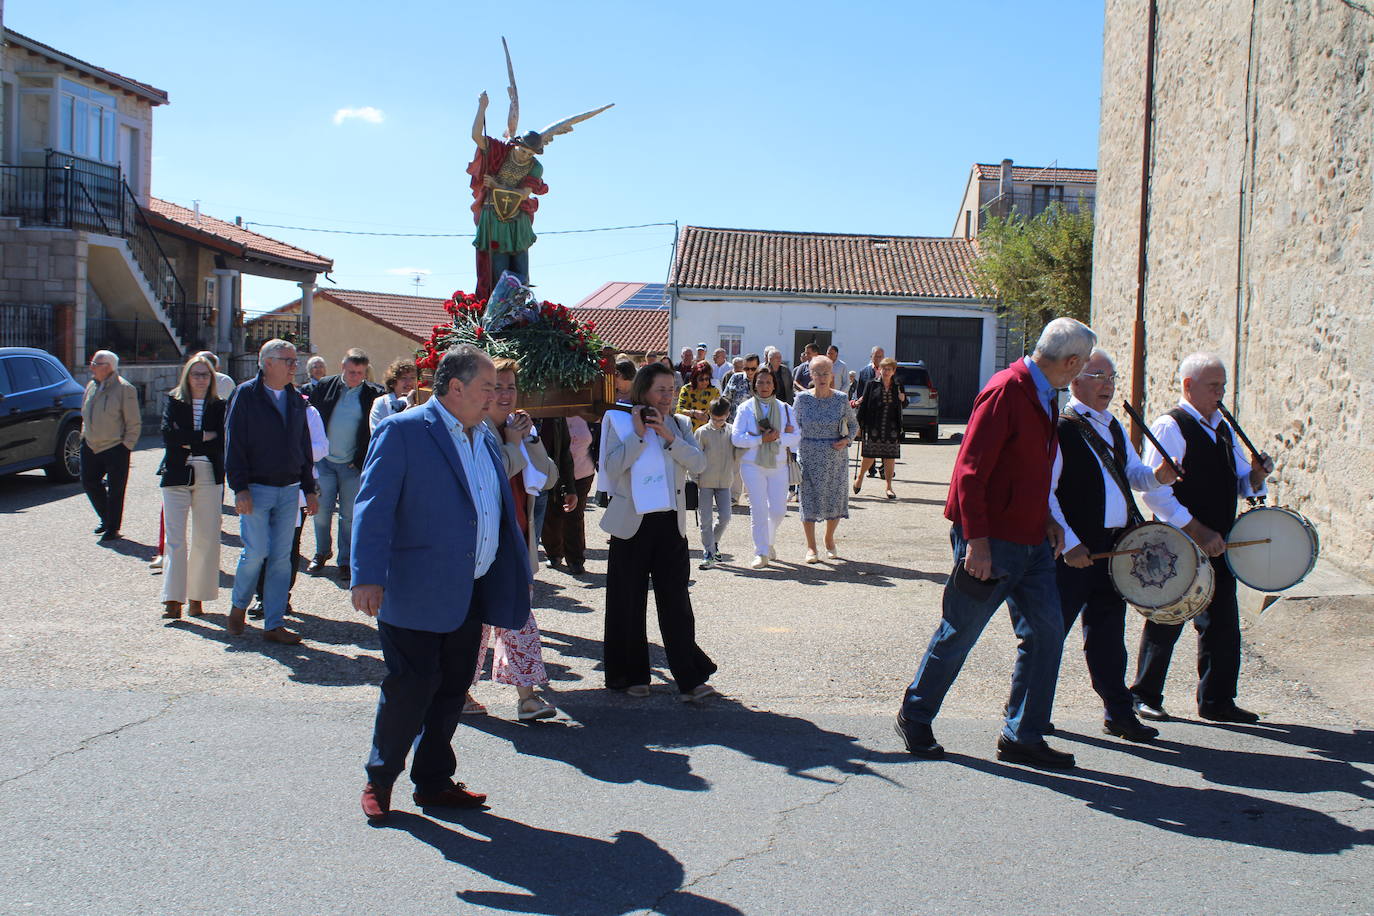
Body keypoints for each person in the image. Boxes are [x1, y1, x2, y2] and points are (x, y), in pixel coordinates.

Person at [895, 317, 1095, 768]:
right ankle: (916, 714)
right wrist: (977, 542)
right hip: (992, 540)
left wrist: (1047, 518)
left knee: (1046, 634)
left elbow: (1029, 469)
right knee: (961, 631)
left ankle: (1022, 735)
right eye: (1082, 365)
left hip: (1032, 539)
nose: (1082, 372)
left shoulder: (1044, 393)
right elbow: (969, 471)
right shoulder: (1007, 390)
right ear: (1071, 361)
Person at [351, 345, 533, 821]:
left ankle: (433, 782)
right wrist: (366, 576)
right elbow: (373, 506)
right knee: (411, 687)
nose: (496, 395)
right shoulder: (403, 430)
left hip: (470, 587)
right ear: (456, 387)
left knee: (453, 688)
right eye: (487, 387)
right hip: (414, 587)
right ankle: (380, 779)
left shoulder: (485, 436)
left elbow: (492, 506)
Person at [1130, 353, 1272, 725]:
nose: (1220, 393)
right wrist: (1196, 529)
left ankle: (1217, 700)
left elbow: (1240, 482)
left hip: (1219, 541)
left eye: (1222, 386)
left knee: (1222, 623)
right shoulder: (1170, 426)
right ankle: (1144, 695)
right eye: (1213, 386)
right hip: (1178, 542)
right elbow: (1155, 493)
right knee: (1167, 618)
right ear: (1188, 386)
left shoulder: (1222, 428)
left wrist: (1256, 476)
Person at [1047, 348, 1178, 742]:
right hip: (1073, 550)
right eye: (1099, 376)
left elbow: (1134, 474)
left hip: (1113, 547)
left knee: (1108, 634)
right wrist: (1070, 543)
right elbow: (1046, 493)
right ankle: (1027, 708)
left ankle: (1118, 713)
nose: (1108, 385)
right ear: (1075, 380)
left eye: (1112, 377)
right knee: (1049, 634)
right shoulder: (1061, 428)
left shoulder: (1114, 426)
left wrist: (1159, 476)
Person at [600, 362, 716, 700]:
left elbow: (699, 464)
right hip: (632, 524)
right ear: (643, 391)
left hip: (670, 525)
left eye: (671, 390)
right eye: (660, 390)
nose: (668, 397)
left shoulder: (679, 424)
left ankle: (689, 679)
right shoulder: (620, 422)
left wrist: (669, 438)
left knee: (676, 603)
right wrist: (638, 436)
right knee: (627, 602)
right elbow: (610, 468)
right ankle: (631, 675)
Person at [466, 358, 559, 722]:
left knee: (515, 618)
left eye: (511, 387)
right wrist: (513, 442)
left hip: (515, 539)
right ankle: (466, 691)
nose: (505, 395)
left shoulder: (518, 427)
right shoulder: (475, 429)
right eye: (496, 387)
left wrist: (529, 438)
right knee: (481, 622)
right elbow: (493, 474)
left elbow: (548, 477)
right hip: (483, 542)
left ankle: (526, 697)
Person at [224, 339, 319, 644]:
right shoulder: (246, 395)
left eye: (295, 361)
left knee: (281, 558)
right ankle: (239, 606)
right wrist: (239, 488)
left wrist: (309, 488)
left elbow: (303, 446)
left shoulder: (295, 398)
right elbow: (234, 443)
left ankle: (273, 624)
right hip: (256, 488)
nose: (294, 366)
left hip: (289, 489)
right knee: (255, 552)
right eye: (288, 361)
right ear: (267, 363)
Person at [157, 355, 225, 621]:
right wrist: (202, 436)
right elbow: (168, 435)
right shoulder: (174, 402)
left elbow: (221, 440)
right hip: (176, 472)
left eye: (205, 375)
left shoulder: (219, 405)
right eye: (195, 374)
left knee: (206, 537)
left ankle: (198, 597)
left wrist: (187, 438)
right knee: (175, 539)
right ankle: (173, 599)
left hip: (208, 472)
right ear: (187, 376)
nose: (200, 379)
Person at [306, 348, 384, 582]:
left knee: (348, 516)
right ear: (342, 368)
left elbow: (374, 432)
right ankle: (322, 552)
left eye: (360, 373)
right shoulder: (324, 386)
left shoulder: (373, 394)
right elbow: (310, 420)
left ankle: (345, 560)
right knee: (321, 512)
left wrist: (360, 462)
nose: (356, 377)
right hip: (325, 462)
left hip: (352, 466)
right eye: (351, 372)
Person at [249, 393, 328, 621]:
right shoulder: (257, 407)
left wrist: (291, 449)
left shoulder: (307, 411)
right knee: (262, 544)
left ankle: (282, 596)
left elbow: (322, 448)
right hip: (263, 484)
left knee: (289, 545)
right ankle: (262, 596)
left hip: (297, 487)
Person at [732, 365, 800, 569]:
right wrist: (760, 439)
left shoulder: (785, 408)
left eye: (768, 382)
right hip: (752, 465)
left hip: (779, 465)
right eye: (760, 382)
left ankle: (768, 541)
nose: (764, 386)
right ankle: (760, 552)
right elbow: (736, 438)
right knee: (759, 509)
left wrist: (778, 438)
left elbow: (797, 436)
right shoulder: (745, 408)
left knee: (778, 510)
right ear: (754, 385)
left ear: (774, 385)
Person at [794, 356, 858, 564]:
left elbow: (854, 425)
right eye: (817, 373)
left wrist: (847, 440)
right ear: (811, 375)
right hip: (808, 456)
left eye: (825, 373)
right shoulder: (802, 399)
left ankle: (829, 539)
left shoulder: (841, 399)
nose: (822, 377)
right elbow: (792, 427)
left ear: (832, 376)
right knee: (808, 501)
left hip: (835, 458)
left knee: (835, 499)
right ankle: (811, 547)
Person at [81, 350, 140, 543]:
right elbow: (84, 412)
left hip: (115, 446)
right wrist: (84, 435)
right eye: (92, 363)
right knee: (89, 482)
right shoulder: (91, 385)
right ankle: (106, 518)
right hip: (90, 444)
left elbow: (133, 422)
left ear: (109, 367)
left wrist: (126, 446)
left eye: (96, 364)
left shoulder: (125, 389)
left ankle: (112, 527)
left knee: (116, 490)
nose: (91, 366)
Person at [542, 411, 595, 575]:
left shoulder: (589, 414)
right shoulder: (551, 414)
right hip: (555, 472)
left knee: (575, 515)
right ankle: (554, 553)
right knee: (551, 514)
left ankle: (575, 559)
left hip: (582, 472)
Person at [693, 398, 740, 569]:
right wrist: (694, 479)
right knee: (705, 520)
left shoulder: (732, 431)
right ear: (709, 414)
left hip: (725, 481)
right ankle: (708, 552)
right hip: (704, 481)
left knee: (725, 517)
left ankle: (713, 543)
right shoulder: (702, 432)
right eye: (714, 419)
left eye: (721, 419)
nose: (718, 422)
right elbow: (695, 456)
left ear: (727, 415)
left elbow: (739, 452)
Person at [853, 357, 908, 500]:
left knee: (890, 457)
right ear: (879, 370)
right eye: (883, 369)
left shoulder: (897, 385)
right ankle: (860, 477)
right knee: (869, 455)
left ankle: (889, 487)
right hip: (873, 425)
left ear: (893, 371)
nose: (886, 371)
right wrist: (858, 425)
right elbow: (864, 405)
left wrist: (903, 399)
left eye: (889, 369)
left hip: (892, 427)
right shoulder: (871, 384)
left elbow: (904, 403)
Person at [853, 346, 885, 478]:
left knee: (883, 442)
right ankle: (871, 469)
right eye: (876, 356)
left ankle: (884, 468)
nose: (879, 358)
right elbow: (860, 393)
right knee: (869, 441)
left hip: (884, 412)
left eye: (881, 356)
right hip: (869, 412)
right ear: (871, 357)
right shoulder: (864, 372)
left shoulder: (887, 371)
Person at [369, 358, 417, 432]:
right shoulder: (382, 403)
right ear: (393, 382)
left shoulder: (420, 402)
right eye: (403, 378)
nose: (409, 382)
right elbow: (377, 434)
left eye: (412, 378)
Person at [675, 362, 719, 431]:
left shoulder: (714, 391)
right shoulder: (686, 389)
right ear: (695, 379)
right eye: (701, 379)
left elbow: (719, 412)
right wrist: (694, 413)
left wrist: (708, 416)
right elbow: (679, 411)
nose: (704, 382)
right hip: (689, 431)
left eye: (707, 379)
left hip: (708, 431)